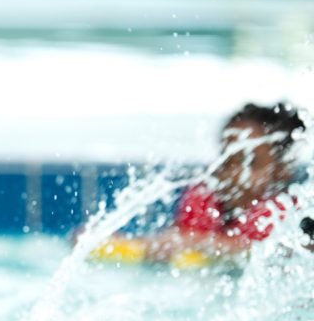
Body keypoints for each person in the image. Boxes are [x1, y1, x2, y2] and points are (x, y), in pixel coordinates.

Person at [98, 102, 306, 265]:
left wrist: (204, 244)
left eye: (250, 163)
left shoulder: (287, 213)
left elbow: (270, 252)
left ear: (282, 170)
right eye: (227, 160)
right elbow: (173, 239)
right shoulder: (204, 199)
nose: (233, 174)